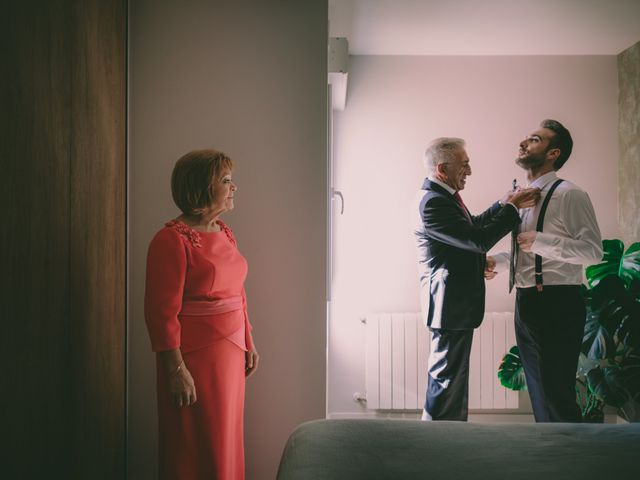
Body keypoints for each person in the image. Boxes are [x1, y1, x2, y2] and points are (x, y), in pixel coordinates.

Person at [144, 149, 259, 479]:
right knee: (194, 442)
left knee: (225, 437)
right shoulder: (170, 240)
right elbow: (159, 313)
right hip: (193, 360)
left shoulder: (224, 231)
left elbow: (238, 291)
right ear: (202, 186)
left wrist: (248, 340)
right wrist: (175, 370)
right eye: (226, 181)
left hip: (230, 354)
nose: (233, 187)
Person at [414, 137, 540, 421]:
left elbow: (473, 226)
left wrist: (504, 202)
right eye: (465, 165)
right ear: (443, 169)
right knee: (446, 380)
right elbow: (478, 240)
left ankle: (451, 437)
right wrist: (512, 208)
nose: (469, 171)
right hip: (448, 305)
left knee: (453, 379)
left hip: (454, 304)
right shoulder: (432, 203)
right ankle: (434, 443)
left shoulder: (442, 197)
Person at [486, 120, 602, 423]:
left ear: (554, 152)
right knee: (539, 392)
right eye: (525, 138)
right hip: (526, 302)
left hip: (558, 302)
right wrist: (496, 263)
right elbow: (525, 253)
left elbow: (592, 251)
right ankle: (554, 459)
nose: (524, 142)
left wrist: (542, 242)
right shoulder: (520, 197)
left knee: (556, 394)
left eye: (534, 140)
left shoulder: (570, 194)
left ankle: (572, 462)